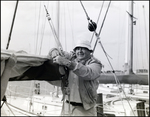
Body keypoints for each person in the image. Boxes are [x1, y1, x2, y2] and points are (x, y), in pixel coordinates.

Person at [52, 39, 102, 116]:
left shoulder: (95, 64)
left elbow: (88, 73)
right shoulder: (72, 59)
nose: (80, 51)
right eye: (78, 49)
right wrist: (54, 51)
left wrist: (67, 63)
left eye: (83, 48)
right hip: (67, 107)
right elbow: (56, 51)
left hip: (85, 110)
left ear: (90, 51)